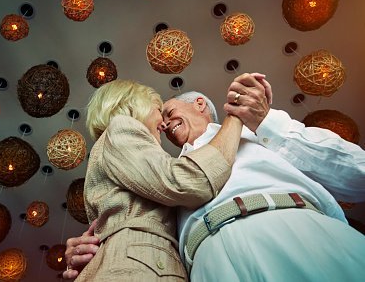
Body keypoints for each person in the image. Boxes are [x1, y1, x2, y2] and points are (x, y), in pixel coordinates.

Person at [65, 73, 365, 281]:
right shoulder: (165, 173)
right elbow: (139, 228)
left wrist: (262, 121)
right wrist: (98, 247)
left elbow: (358, 176)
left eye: (168, 111)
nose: (166, 123)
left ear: (199, 104)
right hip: (205, 265)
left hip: (294, 230)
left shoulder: (257, 131)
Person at [75, 78, 247, 281]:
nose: (164, 123)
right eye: (158, 110)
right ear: (135, 105)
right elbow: (187, 182)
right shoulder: (121, 127)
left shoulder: (124, 155)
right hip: (139, 267)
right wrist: (236, 118)